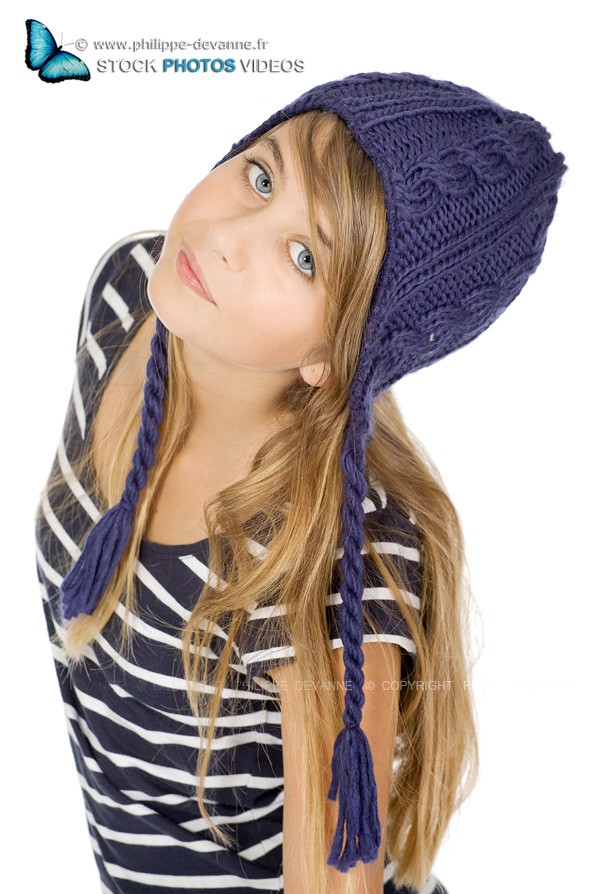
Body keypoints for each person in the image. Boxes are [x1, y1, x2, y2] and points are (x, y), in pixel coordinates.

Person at [35, 71, 566, 894]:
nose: (225, 238)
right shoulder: (128, 295)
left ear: (337, 358)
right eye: (260, 174)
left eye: (304, 255)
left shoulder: (322, 571)